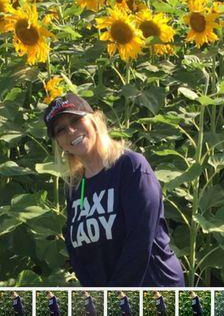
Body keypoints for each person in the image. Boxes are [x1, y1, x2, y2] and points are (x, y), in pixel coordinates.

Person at [44, 93, 185, 287]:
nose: (70, 130)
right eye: (60, 130)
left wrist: (114, 298)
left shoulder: (131, 167)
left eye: (76, 119)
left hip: (154, 289)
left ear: (95, 120)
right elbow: (76, 252)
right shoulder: (75, 186)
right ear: (58, 142)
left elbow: (140, 241)